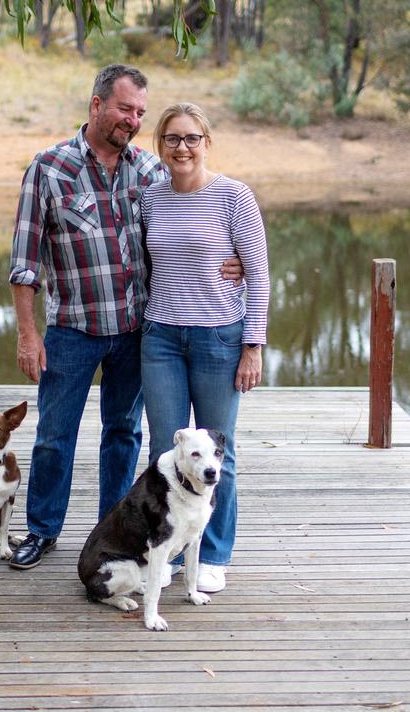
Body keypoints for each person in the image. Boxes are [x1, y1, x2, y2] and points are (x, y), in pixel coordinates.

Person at [7, 65, 242, 570]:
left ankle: (108, 532)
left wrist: (235, 259)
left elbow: (190, 223)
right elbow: (24, 264)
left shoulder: (151, 171)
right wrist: (28, 335)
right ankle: (42, 530)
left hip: (137, 333)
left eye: (140, 112)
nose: (133, 120)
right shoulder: (48, 169)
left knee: (123, 434)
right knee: (53, 435)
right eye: (124, 109)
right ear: (96, 106)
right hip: (72, 329)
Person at [139, 102, 269, 594]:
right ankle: (167, 549)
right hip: (161, 338)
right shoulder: (152, 199)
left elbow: (257, 275)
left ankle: (213, 553)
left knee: (220, 453)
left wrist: (253, 345)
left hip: (219, 336)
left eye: (192, 138)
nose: (182, 147)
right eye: (172, 138)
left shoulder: (234, 197)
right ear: (161, 146)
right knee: (164, 451)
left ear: (207, 142)